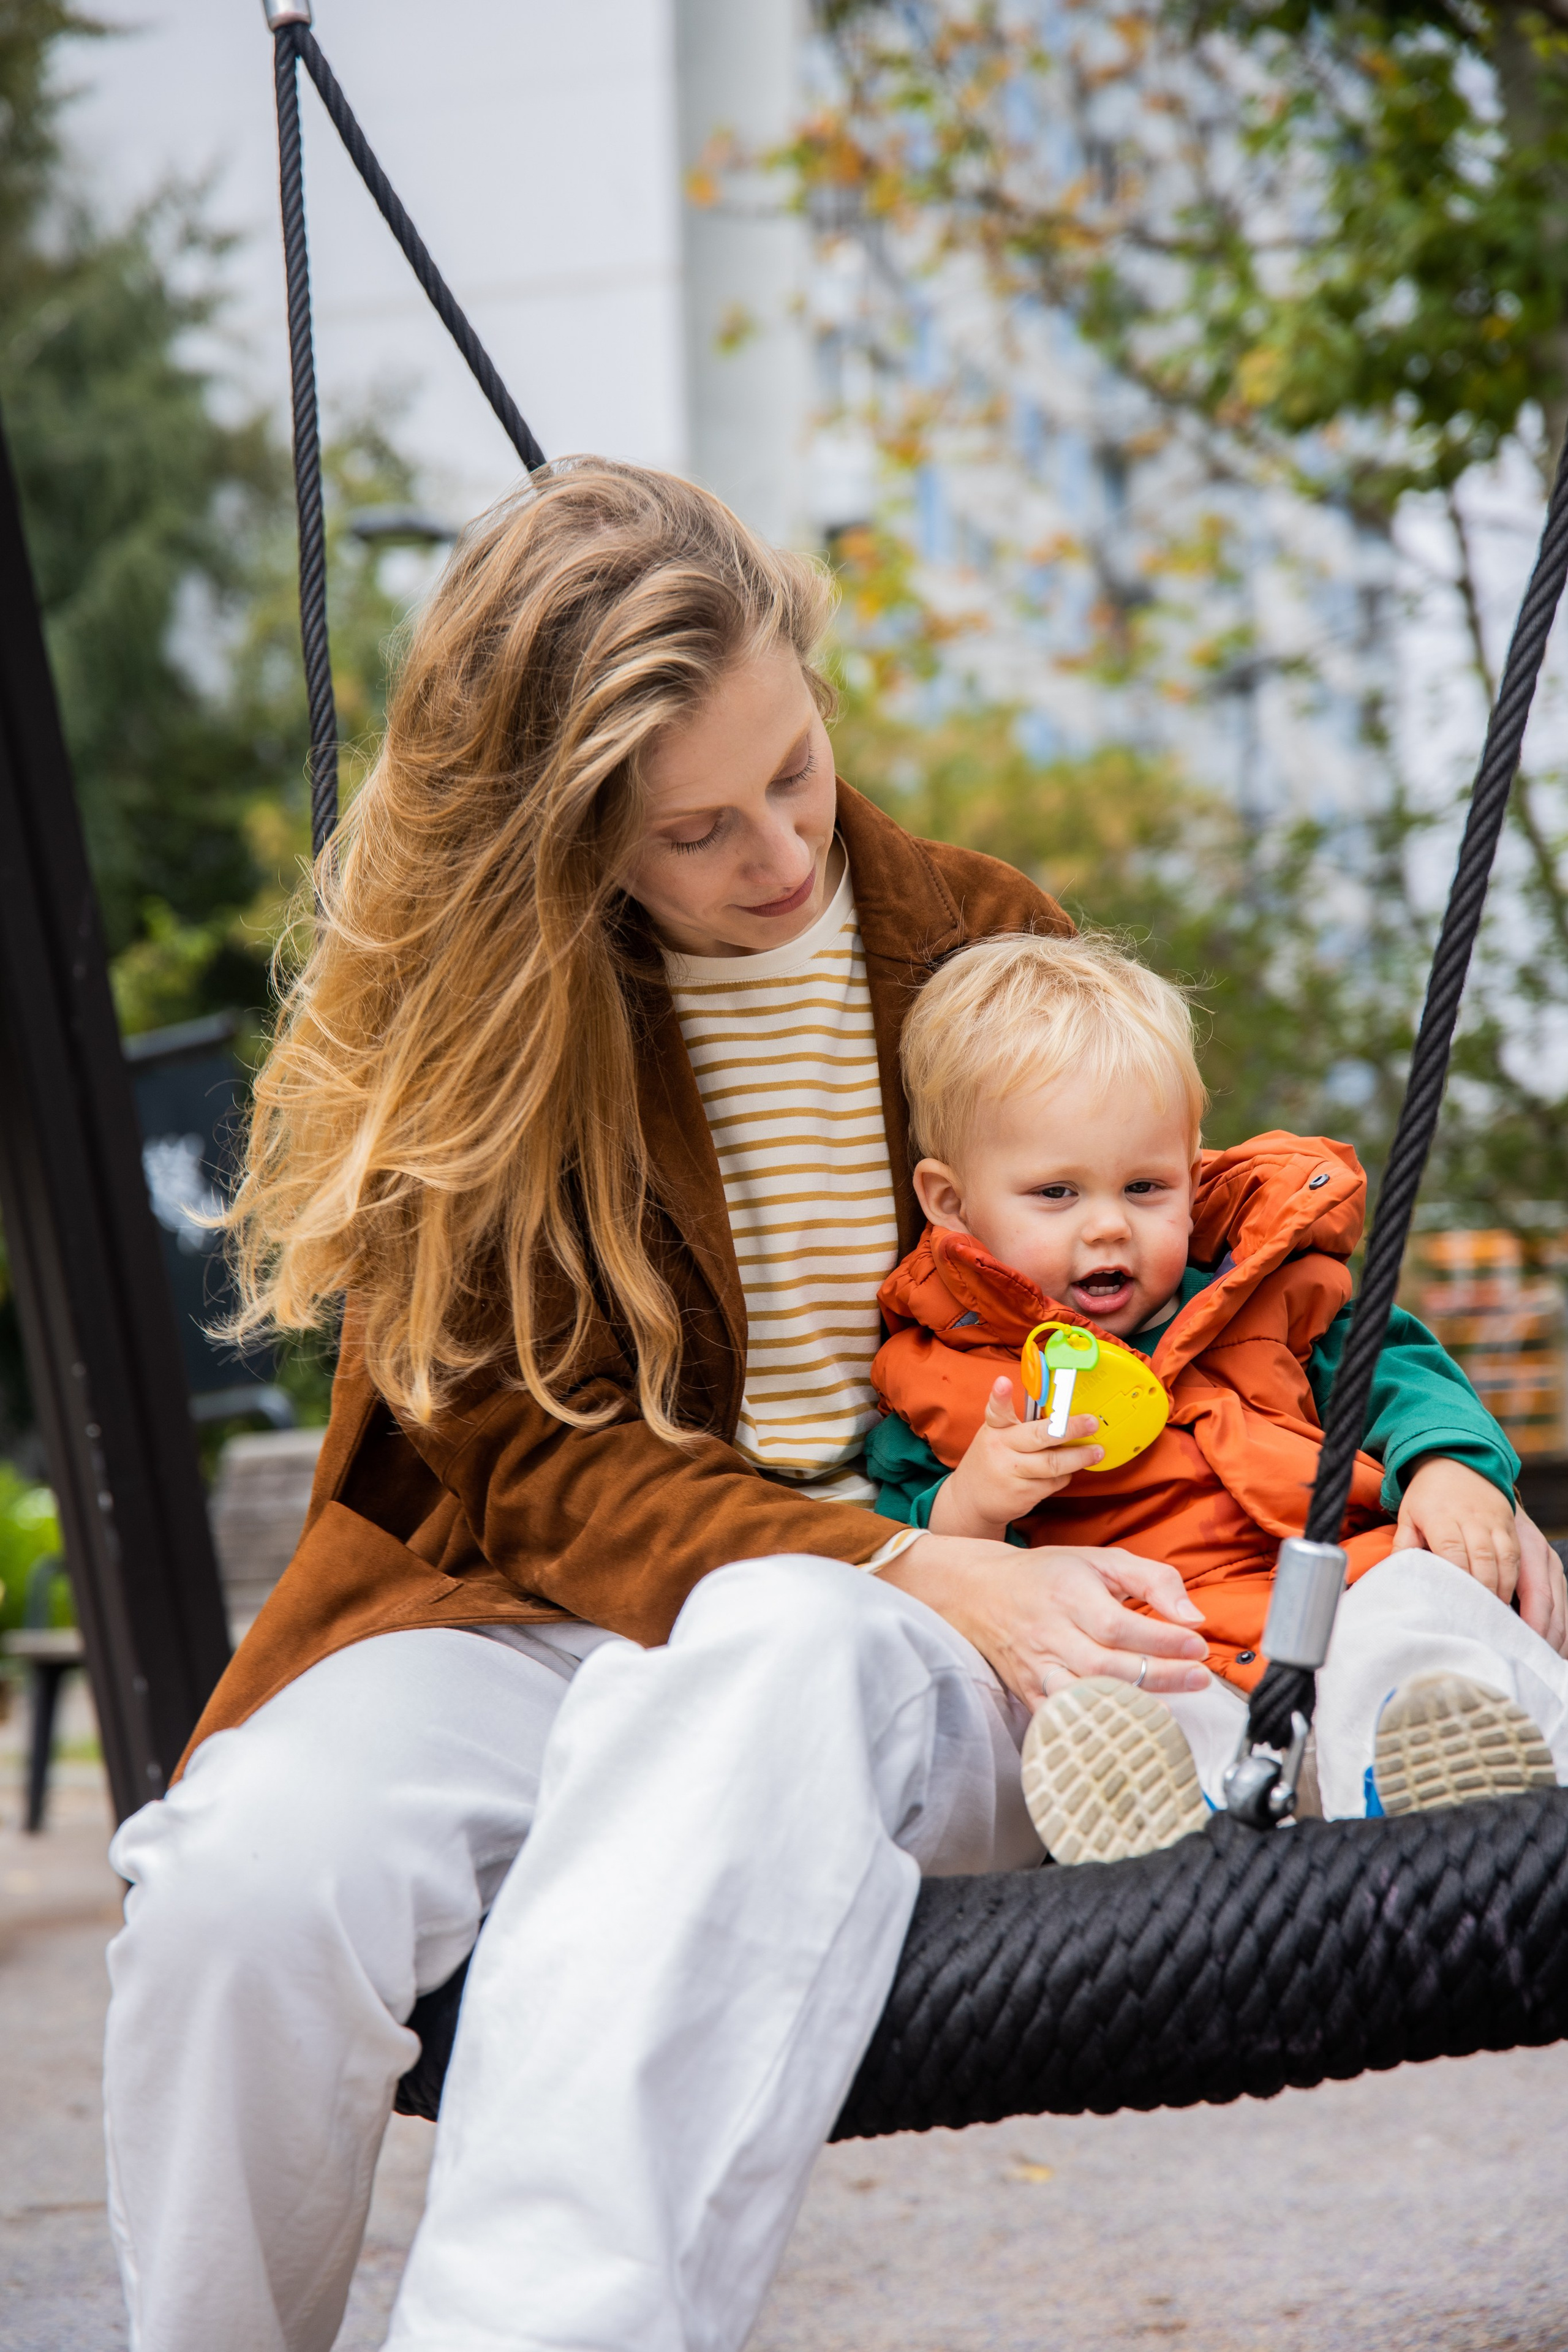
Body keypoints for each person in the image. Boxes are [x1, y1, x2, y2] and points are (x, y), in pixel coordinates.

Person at [101, 458, 1267, 2352]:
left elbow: (1135, 1311)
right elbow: (521, 1461)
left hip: (896, 1629)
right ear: (560, 840)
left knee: (773, 1636)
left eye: (792, 773)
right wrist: (880, 1548)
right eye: (692, 831)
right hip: (531, 1609)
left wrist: (930, 1552)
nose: (780, 859)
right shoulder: (495, 1014)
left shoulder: (975, 938)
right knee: (241, 1889)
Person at [867, 929, 1568, 1863]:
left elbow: (1393, 1369)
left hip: (1339, 1581)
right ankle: (1168, 1836)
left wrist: (1449, 1465)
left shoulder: (1267, 1287)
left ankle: (1439, 1770)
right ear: (951, 1203)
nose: (1110, 1224)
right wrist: (977, 1502)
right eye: (1057, 1194)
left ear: (1194, 1174)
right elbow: (915, 1548)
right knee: (1104, 1696)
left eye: (1147, 1185)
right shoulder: (942, 1367)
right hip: (1164, 1637)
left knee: (1414, 1606)